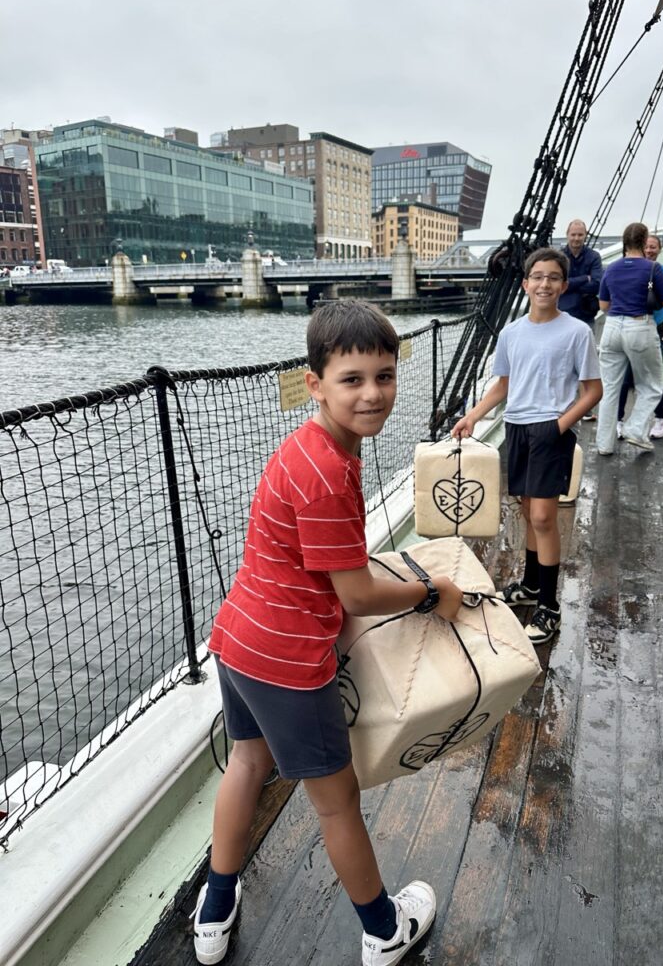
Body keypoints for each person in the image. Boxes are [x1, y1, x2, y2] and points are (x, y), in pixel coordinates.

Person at [194, 299, 463, 966]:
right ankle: (384, 930)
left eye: (385, 375)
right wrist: (433, 592)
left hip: (239, 636)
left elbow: (322, 565)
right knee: (336, 805)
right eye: (353, 379)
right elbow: (358, 594)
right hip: (288, 660)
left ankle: (214, 911)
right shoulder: (328, 475)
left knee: (248, 763)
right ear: (314, 383)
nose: (373, 393)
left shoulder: (307, 447)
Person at [452, 247, 602, 646]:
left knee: (542, 518)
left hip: (551, 430)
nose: (544, 284)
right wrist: (473, 416)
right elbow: (502, 385)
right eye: (537, 276)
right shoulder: (511, 333)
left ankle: (549, 606)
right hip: (516, 428)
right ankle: (532, 585)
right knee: (524, 509)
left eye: (553, 277)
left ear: (564, 285)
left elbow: (593, 391)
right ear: (525, 283)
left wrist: (559, 425)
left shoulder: (576, 332)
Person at [595, 222, 663, 456]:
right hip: (639, 326)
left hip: (611, 328)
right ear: (643, 242)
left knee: (610, 387)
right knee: (651, 384)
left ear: (624, 242)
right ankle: (634, 428)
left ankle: (604, 444)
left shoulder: (611, 268)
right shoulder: (653, 268)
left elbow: (603, 305)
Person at [616, 233, 663, 440]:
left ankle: (660, 418)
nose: (650, 250)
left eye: (654, 247)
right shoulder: (635, 269)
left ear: (659, 249)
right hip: (634, 326)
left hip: (658, 326)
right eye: (647, 247)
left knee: (653, 374)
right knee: (625, 376)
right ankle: (618, 419)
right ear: (642, 248)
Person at [559, 219, 604, 420]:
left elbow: (597, 283)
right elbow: (559, 282)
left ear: (585, 235)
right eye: (573, 234)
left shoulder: (593, 257)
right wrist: (583, 279)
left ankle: (586, 409)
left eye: (580, 235)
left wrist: (571, 283)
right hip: (563, 315)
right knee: (561, 361)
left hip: (585, 315)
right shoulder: (560, 257)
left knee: (587, 363)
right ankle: (563, 404)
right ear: (567, 235)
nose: (576, 238)